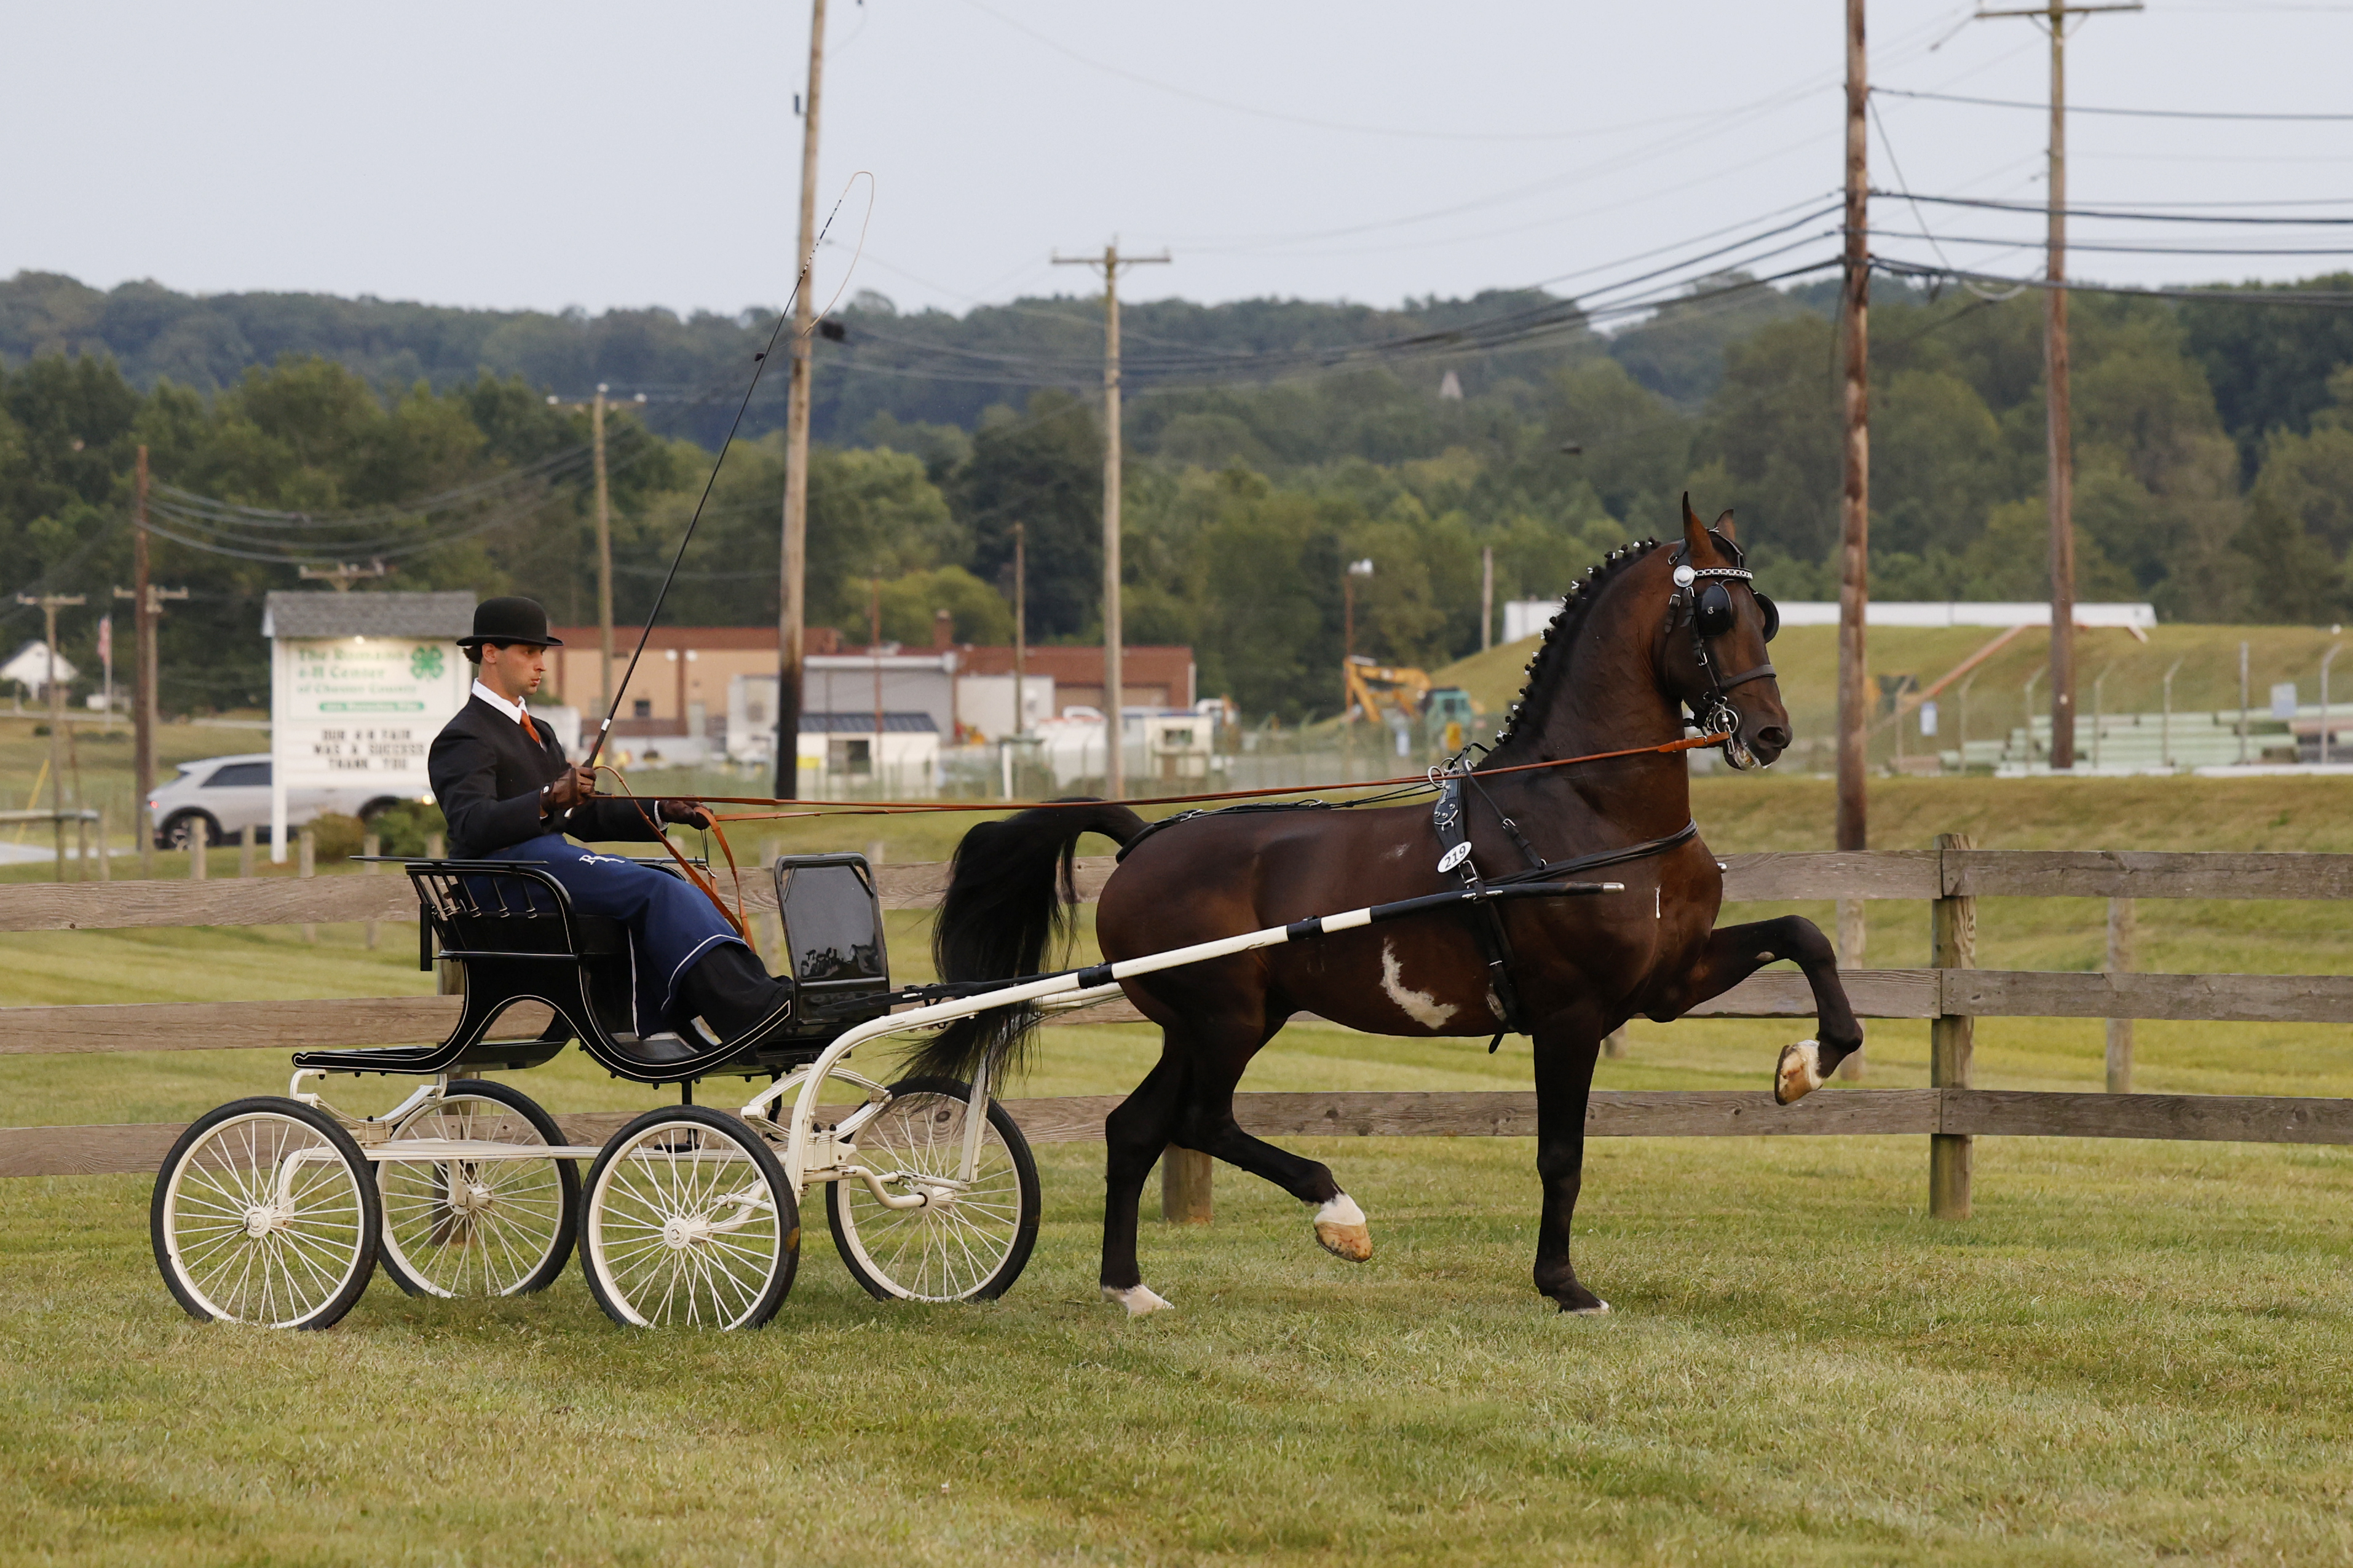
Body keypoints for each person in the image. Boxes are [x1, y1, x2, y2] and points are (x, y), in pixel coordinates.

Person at [427, 595, 793, 1051]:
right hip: (504, 882)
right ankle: (750, 1012)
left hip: (544, 866)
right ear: (490, 652)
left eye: (542, 652)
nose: (541, 664)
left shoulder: (539, 731)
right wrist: (548, 797)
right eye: (529, 651)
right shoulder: (464, 735)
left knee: (668, 880)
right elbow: (471, 824)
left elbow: (580, 815)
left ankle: (755, 996)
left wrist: (662, 809)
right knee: (654, 888)